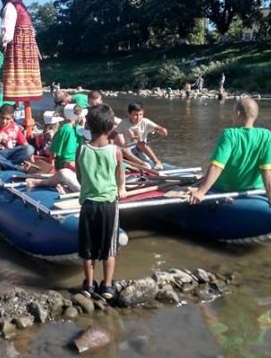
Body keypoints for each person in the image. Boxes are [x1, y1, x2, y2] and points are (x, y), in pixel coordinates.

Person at [188, 98, 271, 209]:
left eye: (232, 112)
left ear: (237, 114)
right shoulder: (267, 136)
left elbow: (217, 166)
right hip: (255, 192)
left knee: (195, 188)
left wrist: (201, 192)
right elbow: (268, 169)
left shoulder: (229, 134)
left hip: (224, 190)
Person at [76, 103, 126, 300]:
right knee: (109, 248)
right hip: (109, 204)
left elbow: (79, 178)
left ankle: (88, 285)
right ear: (111, 128)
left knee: (87, 248)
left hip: (88, 203)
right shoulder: (116, 151)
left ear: (88, 126)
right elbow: (120, 177)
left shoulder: (81, 150)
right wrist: (120, 188)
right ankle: (107, 286)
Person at [0, 0, 43, 133]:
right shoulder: (23, 9)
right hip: (28, 44)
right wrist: (35, 49)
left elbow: (7, 26)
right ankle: (24, 119)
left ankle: (24, 123)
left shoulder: (10, 7)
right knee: (27, 73)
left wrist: (5, 42)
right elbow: (32, 31)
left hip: (18, 42)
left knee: (16, 73)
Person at [26, 103, 84, 194]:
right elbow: (53, 149)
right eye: (80, 115)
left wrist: (82, 123)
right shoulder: (65, 129)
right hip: (65, 161)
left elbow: (84, 137)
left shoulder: (76, 128)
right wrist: (52, 164)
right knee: (77, 169)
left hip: (74, 159)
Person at [0, 104, 34, 172]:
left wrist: (32, 162)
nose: (4, 121)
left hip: (11, 154)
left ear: (12, 118)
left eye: (7, 119)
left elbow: (25, 145)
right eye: (2, 117)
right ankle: (15, 168)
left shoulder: (15, 128)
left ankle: (4, 165)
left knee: (30, 149)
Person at [114, 102, 168, 169]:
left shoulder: (145, 122)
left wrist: (162, 131)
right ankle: (142, 165)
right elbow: (112, 135)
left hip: (141, 148)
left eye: (141, 114)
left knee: (141, 144)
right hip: (128, 150)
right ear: (129, 114)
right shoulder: (124, 123)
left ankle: (156, 161)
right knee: (125, 149)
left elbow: (159, 128)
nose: (138, 117)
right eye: (136, 115)